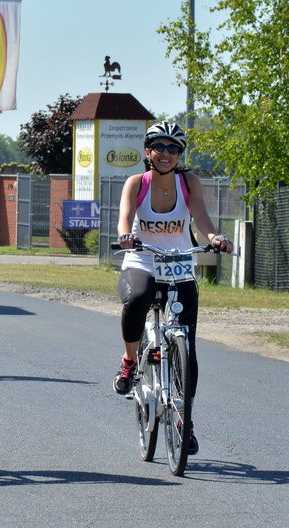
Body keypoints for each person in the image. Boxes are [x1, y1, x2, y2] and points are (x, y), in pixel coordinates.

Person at [113, 121, 233, 455]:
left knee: (187, 347)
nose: (166, 154)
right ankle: (129, 359)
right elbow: (125, 217)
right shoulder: (137, 183)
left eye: (173, 148)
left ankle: (185, 419)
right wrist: (126, 235)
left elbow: (201, 217)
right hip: (142, 262)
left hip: (179, 265)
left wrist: (215, 238)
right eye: (160, 147)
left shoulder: (188, 182)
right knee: (137, 297)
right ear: (148, 151)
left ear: (180, 154)